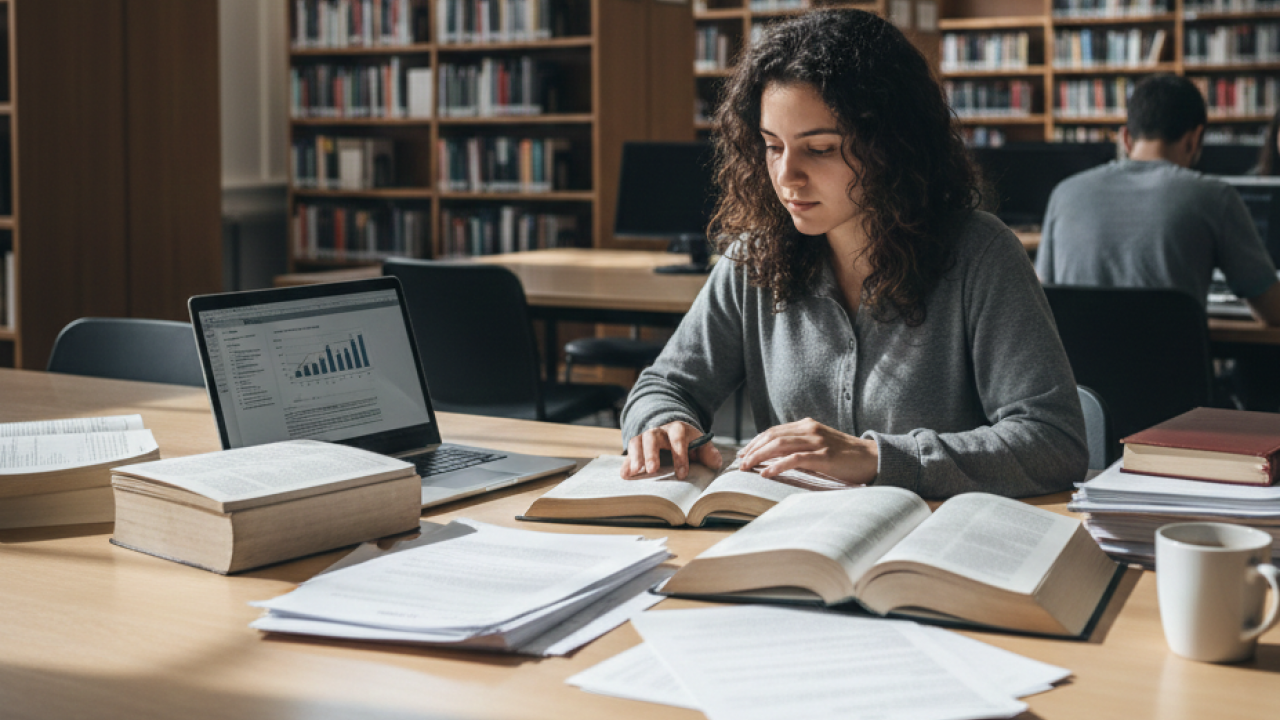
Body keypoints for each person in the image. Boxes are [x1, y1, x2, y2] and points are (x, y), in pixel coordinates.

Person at [618, 10, 1087, 498]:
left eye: (820, 149)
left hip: (930, 536)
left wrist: (879, 458)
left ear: (891, 147)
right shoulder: (754, 258)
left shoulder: (980, 254)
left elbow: (1053, 442)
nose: (786, 175)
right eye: (772, 146)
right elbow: (664, 386)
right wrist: (660, 422)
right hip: (791, 533)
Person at [1036, 75, 1280, 411]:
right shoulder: (1215, 197)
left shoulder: (1064, 194)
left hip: (1085, 412)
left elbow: (1043, 305)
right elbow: (1272, 313)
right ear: (1195, 138)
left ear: (1125, 137)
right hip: (1178, 411)